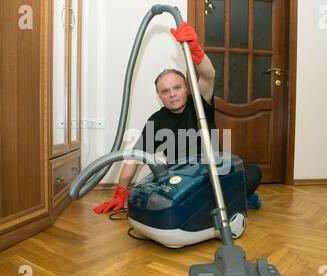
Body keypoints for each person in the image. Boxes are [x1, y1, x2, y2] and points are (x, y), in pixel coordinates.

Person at [93, 22, 262, 214]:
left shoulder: (198, 104)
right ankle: (232, 201)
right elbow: (133, 158)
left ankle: (227, 200)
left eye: (177, 88)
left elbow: (209, 75)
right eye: (165, 91)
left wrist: (195, 51)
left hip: (213, 174)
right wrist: (120, 193)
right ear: (159, 96)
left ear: (186, 88)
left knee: (252, 172)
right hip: (182, 179)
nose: (172, 94)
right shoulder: (156, 121)